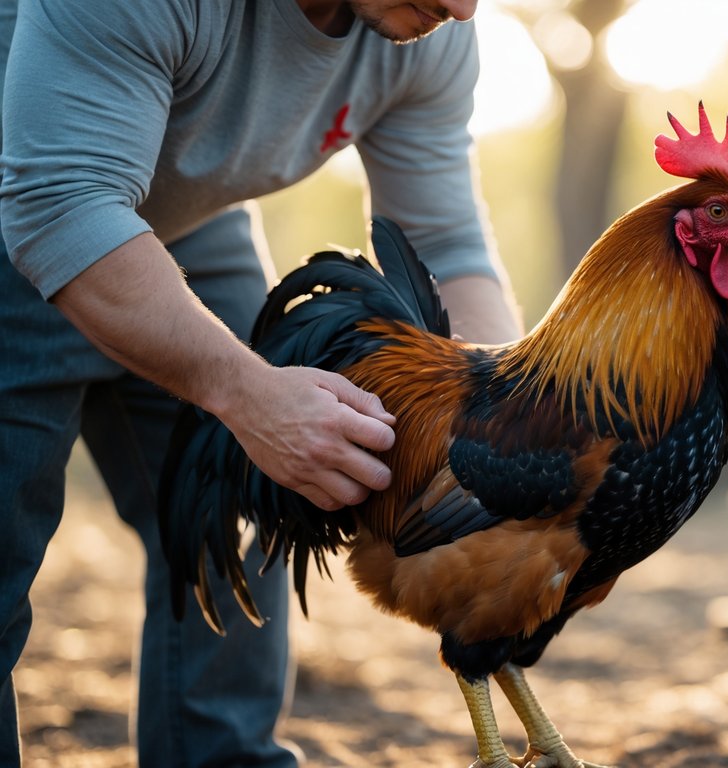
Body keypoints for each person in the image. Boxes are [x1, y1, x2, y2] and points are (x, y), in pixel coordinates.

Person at [0, 0, 523, 764]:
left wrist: (514, 427)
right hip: (32, 192)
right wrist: (247, 395)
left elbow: (442, 241)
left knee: (248, 506)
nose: (464, 6)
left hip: (183, 217)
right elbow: (60, 203)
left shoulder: (431, 33)